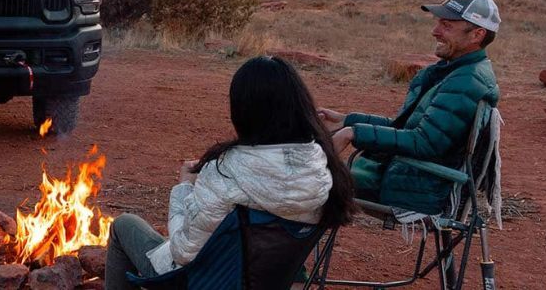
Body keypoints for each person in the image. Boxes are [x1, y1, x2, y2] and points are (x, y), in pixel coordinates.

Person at [105, 56, 357, 289]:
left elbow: (182, 251)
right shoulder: (322, 170)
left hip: (200, 282)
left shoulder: (225, 175)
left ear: (243, 112)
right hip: (263, 281)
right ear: (301, 106)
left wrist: (184, 187)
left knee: (124, 225)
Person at [320, 0, 501, 215]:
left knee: (306, 183)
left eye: (446, 26)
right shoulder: (456, 72)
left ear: (477, 35)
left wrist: (352, 133)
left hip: (415, 189)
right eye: (438, 23)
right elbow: (410, 128)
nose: (435, 31)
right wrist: (346, 121)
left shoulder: (466, 81)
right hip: (409, 177)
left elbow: (423, 142)